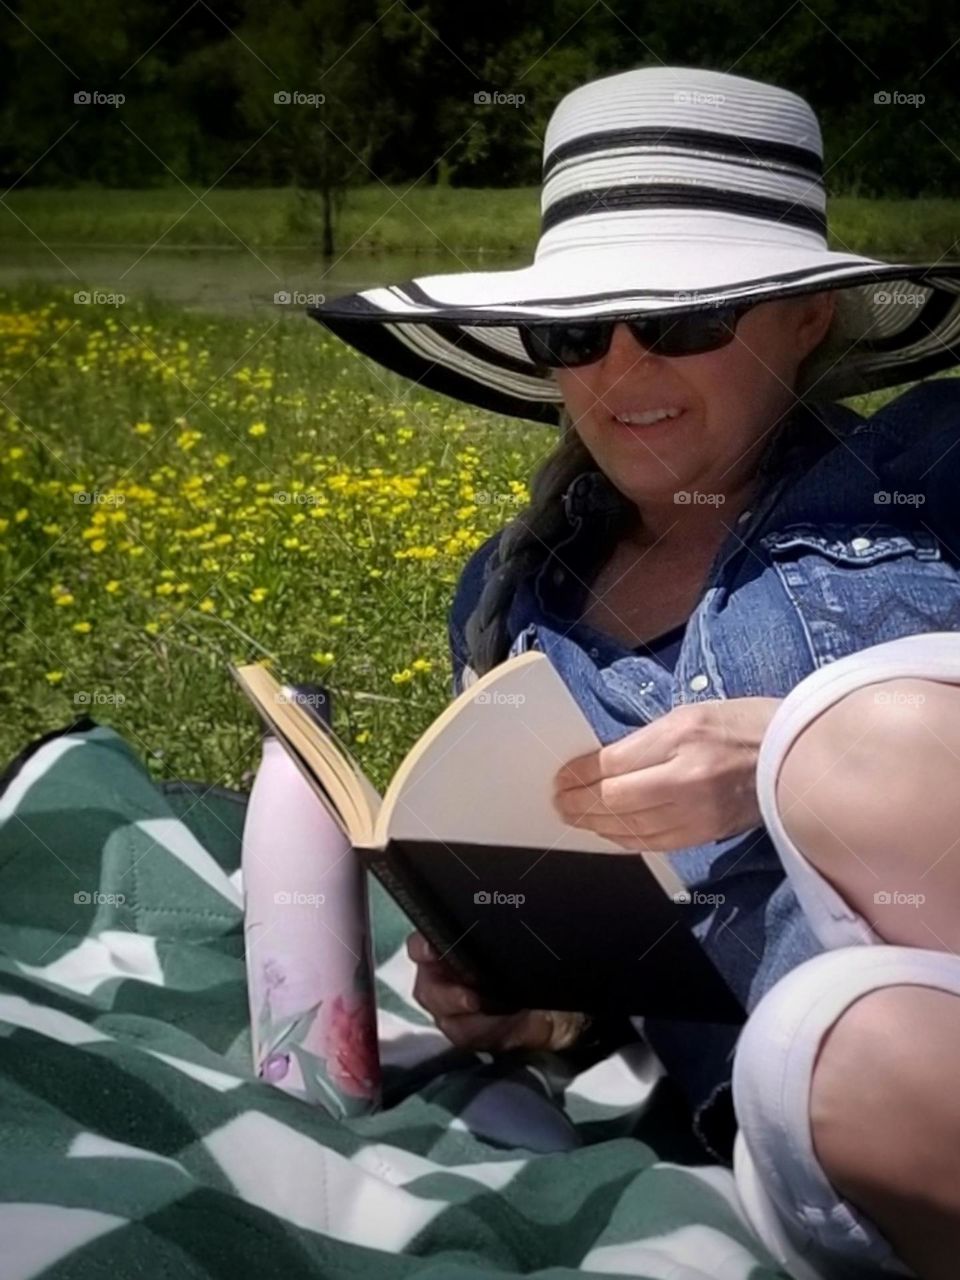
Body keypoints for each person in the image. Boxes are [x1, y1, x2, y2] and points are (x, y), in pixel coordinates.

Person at [307, 64, 960, 1280]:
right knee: (844, 1053)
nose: (620, 371)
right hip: (831, 1072)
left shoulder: (931, 462)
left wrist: (778, 751)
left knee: (852, 757)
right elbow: (640, 954)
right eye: (575, 331)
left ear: (806, 315)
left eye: (680, 318)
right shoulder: (515, 604)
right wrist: (541, 999)